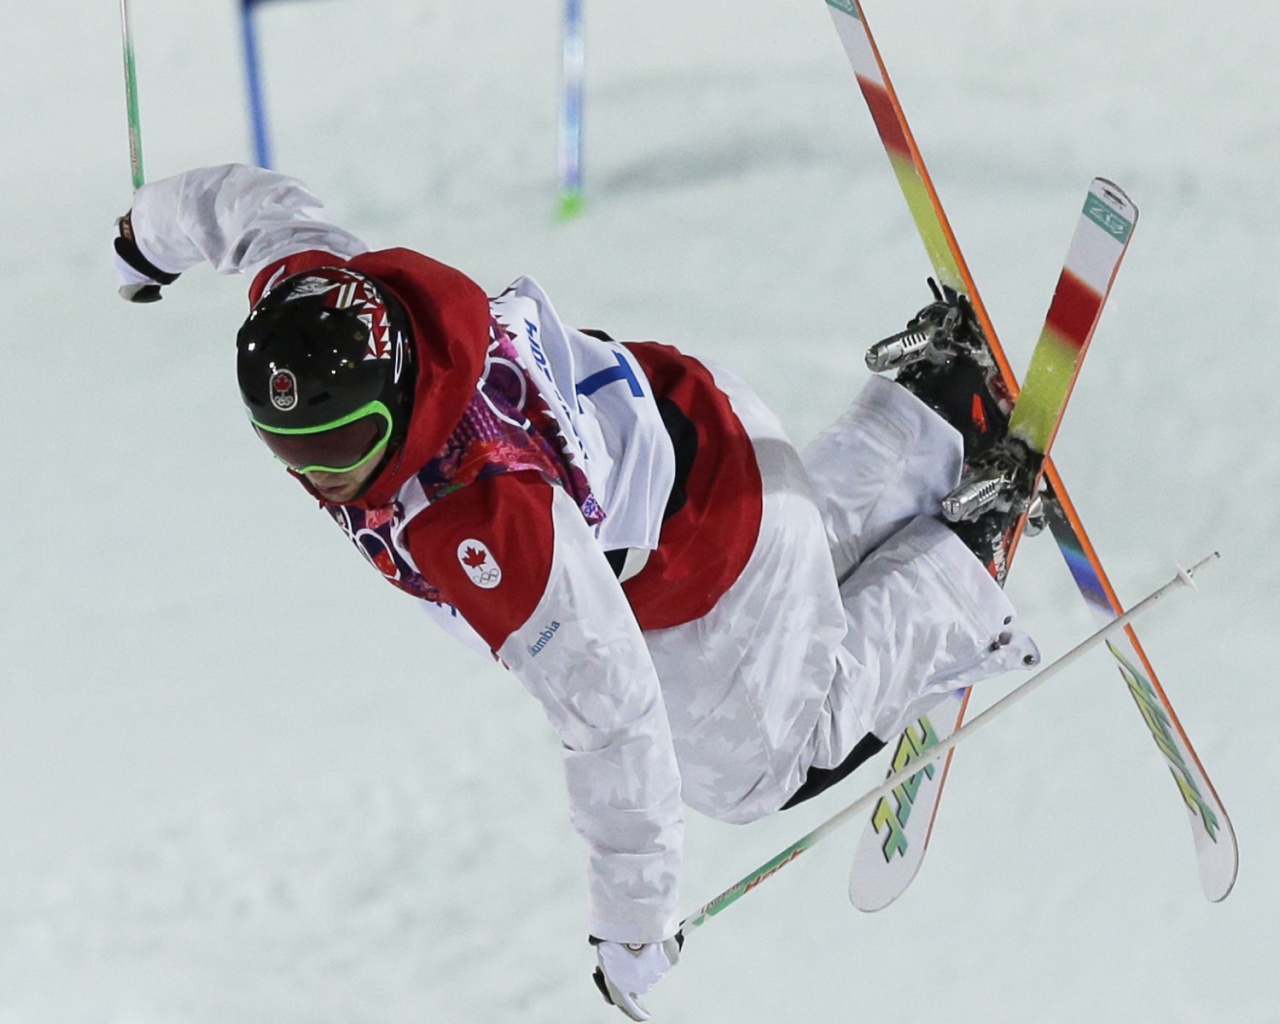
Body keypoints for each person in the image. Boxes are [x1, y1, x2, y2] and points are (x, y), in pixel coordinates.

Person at [112, 163, 1039, 1020]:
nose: (325, 478)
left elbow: (612, 711)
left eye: (344, 446)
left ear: (391, 389)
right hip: (701, 425)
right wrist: (149, 236)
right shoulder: (327, 296)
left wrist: (632, 927)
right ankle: (934, 405)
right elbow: (249, 207)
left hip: (707, 548)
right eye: (294, 452)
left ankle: (963, 559)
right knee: (791, 599)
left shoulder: (478, 512)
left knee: (759, 767)